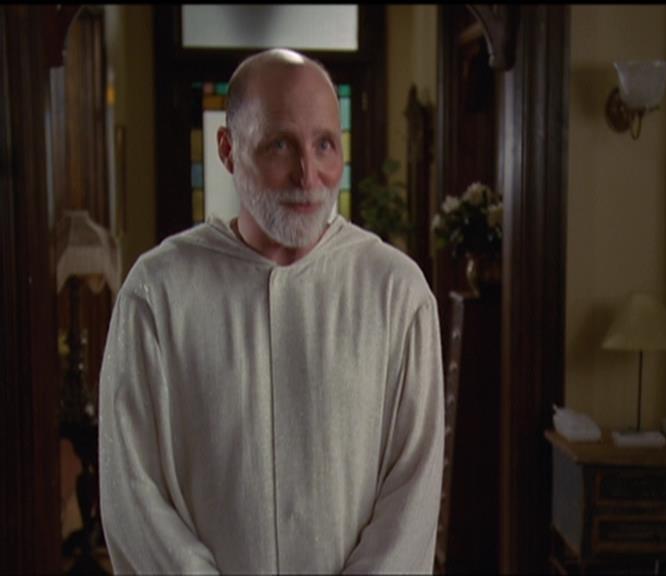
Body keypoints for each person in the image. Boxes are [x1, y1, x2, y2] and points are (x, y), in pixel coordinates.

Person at [99, 48, 444, 574]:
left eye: (324, 144)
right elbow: (132, 488)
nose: (308, 174)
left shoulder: (397, 293)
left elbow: (412, 492)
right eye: (280, 144)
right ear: (227, 149)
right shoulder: (156, 293)